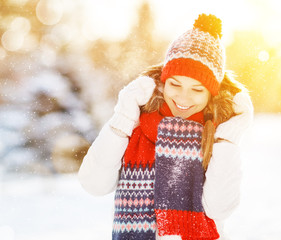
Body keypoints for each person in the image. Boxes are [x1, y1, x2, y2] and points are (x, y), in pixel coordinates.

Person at [78, 13, 253, 240]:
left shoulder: (217, 137)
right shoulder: (135, 123)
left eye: (197, 89)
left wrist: (228, 137)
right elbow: (95, 185)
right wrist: (123, 119)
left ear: (211, 93)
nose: (183, 97)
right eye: (175, 84)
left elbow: (219, 208)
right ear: (163, 81)